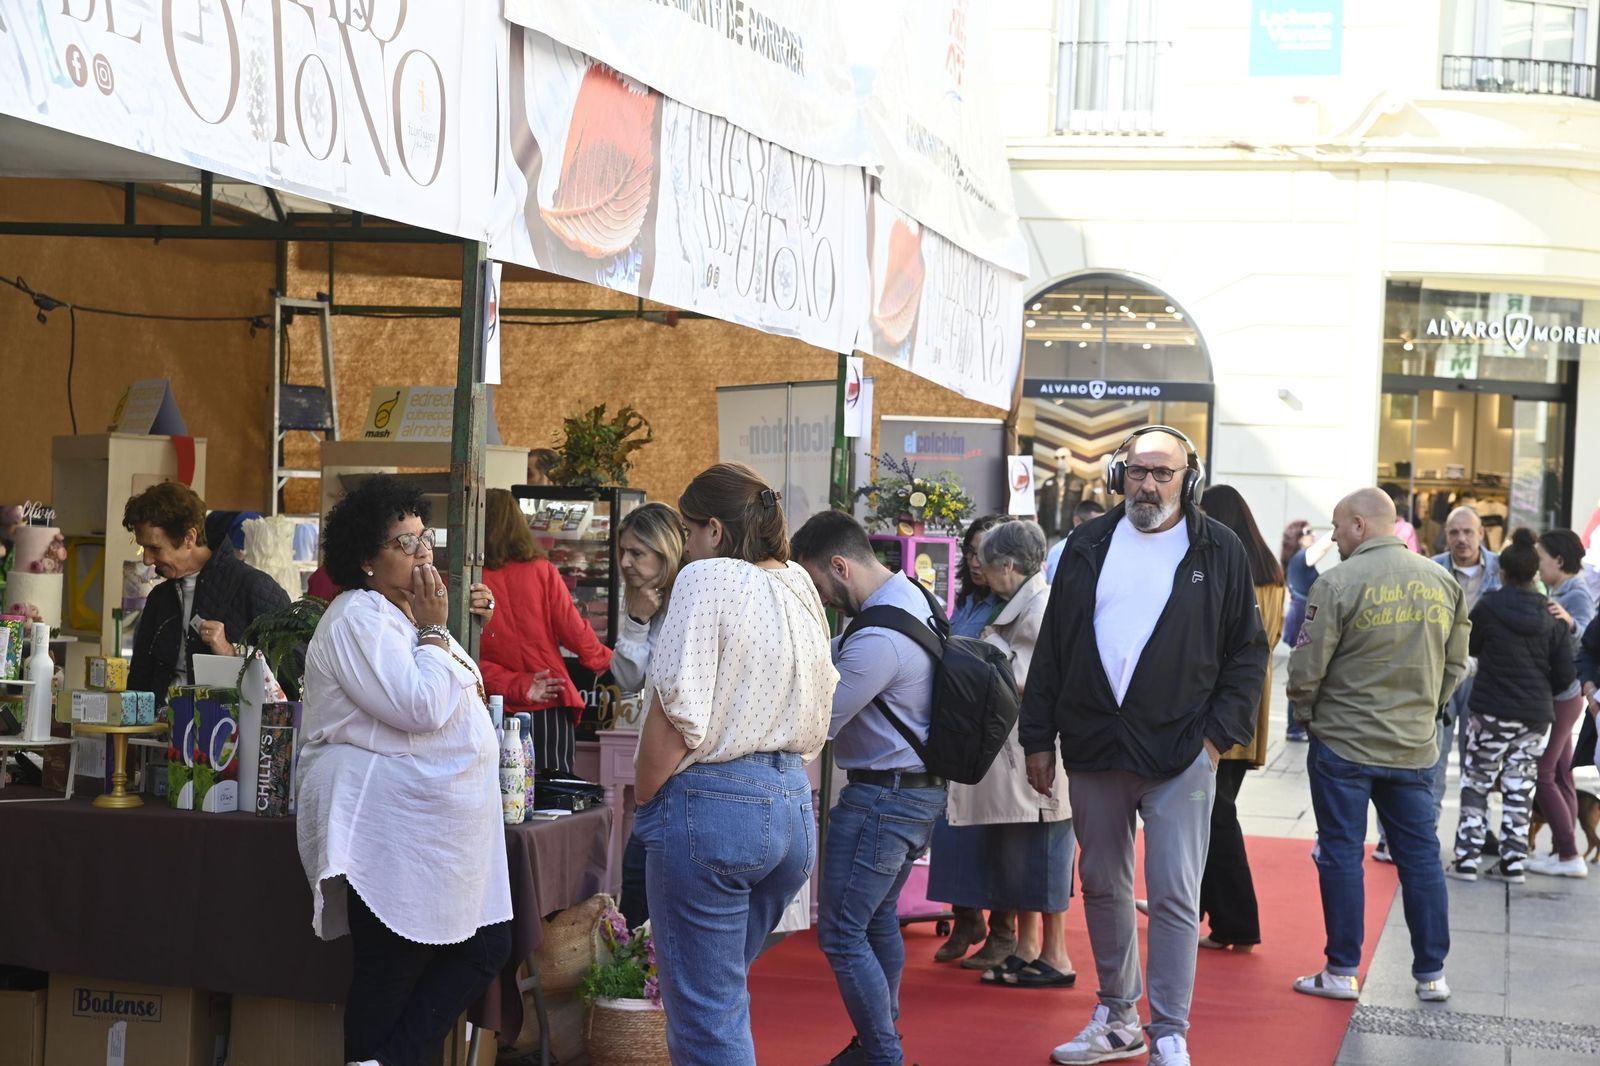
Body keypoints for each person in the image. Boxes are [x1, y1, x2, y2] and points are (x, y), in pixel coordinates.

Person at [1020, 426, 1267, 1066]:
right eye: (1137, 471)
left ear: (1189, 480)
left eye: (1163, 473)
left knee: (1175, 893)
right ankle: (1117, 1017)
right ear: (1117, 476)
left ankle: (1170, 1032)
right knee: (1101, 883)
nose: (1148, 484)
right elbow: (1053, 649)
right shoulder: (1085, 545)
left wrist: (1215, 739)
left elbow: (1248, 653)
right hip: (1095, 744)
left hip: (1182, 751)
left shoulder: (1220, 548)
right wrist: (1037, 737)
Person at [295, 475, 511, 1066]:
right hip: (386, 826)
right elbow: (420, 706)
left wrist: (439, 626)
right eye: (404, 543)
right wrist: (437, 628)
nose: (422, 553)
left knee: (483, 946)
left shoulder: (401, 613)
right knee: (392, 967)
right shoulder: (357, 617)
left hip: (426, 827)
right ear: (367, 559)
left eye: (425, 539)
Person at [632, 463, 836, 1066]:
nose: (683, 546)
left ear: (715, 531)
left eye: (686, 531)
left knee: (706, 1016)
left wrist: (646, 794)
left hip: (715, 808)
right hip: (790, 803)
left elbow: (675, 704)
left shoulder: (707, 577)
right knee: (719, 1001)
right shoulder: (798, 583)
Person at [1288, 488, 1467, 1005]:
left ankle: (1342, 970)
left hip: (1344, 743)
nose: (1335, 536)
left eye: (1338, 526)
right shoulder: (1442, 580)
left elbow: (1306, 667)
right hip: (1412, 745)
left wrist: (1307, 714)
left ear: (1360, 525)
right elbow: (1456, 662)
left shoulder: (1338, 582)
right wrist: (1427, 709)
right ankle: (1431, 973)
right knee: (1421, 857)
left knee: (1341, 853)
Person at [791, 509, 946, 1066]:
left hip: (883, 799)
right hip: (915, 792)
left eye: (817, 584)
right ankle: (879, 1042)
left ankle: (882, 1054)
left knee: (840, 933)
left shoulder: (878, 638)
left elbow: (815, 724)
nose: (819, 599)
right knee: (876, 919)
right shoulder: (916, 598)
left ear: (840, 566)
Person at [947, 519, 1075, 989]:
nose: (981, 571)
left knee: (1045, 852)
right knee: (1021, 854)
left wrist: (981, 652)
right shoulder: (1022, 603)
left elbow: (1025, 679)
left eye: (987, 563)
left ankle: (1055, 955)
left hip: (1036, 752)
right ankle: (1028, 948)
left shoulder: (1037, 607)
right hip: (1019, 753)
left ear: (1007, 566)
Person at [1448, 528, 1574, 884]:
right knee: (1521, 787)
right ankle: (1513, 864)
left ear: (1501, 573)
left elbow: (1470, 650)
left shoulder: (1487, 607)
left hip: (1489, 710)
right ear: (1535, 574)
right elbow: (1565, 676)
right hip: (1534, 716)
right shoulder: (1552, 615)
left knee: (1477, 782)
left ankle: (1467, 860)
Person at [1193, 485, 1285, 951]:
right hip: (1250, 708)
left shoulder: (1228, 569)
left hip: (1219, 708)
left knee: (1215, 814)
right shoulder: (1272, 573)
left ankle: (1237, 922)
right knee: (1212, 811)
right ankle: (1204, 908)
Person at [478, 488, 613, 774]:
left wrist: (516, 683)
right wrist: (605, 661)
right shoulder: (541, 570)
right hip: (548, 697)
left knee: (495, 789)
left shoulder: (466, 579)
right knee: (554, 789)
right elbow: (574, 631)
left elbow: (464, 654)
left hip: (490, 701)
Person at [928, 514, 1012, 966]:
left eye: (985, 552)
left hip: (995, 734)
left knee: (995, 835)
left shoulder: (1011, 604)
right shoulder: (968, 600)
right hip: (959, 726)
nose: (976, 561)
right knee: (953, 831)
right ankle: (965, 917)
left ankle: (1002, 929)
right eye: (970, 551)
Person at [122, 482, 289, 700]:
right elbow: (139, 676)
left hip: (227, 721)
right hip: (160, 720)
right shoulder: (159, 598)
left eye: (155, 548)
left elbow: (292, 671)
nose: (146, 559)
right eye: (143, 548)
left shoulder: (253, 587)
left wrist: (231, 652)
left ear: (189, 538)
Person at [609, 502, 687, 930]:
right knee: (636, 890)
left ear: (666, 551)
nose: (625, 562)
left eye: (637, 553)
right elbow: (627, 679)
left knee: (645, 894)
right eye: (623, 551)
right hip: (656, 773)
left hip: (682, 772)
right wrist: (637, 620)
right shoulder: (643, 601)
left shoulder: (689, 601)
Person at [1530, 529, 1595, 878]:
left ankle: (1569, 854)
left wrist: (1569, 622)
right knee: (1561, 774)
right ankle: (1562, 851)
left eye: (1540, 558)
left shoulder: (1576, 593)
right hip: (1559, 692)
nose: (1537, 566)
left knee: (1544, 774)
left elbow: (1588, 640)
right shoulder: (1557, 590)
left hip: (1565, 694)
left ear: (1558, 560)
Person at [1281, 522, 1318, 742]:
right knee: (1301, 674)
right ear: (1297, 537)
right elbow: (1322, 548)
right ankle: (1295, 727)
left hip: (1300, 616)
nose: (1313, 535)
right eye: (1308, 532)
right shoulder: (1302, 556)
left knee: (1302, 673)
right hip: (1301, 618)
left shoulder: (1297, 558)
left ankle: (1297, 726)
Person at [1046, 499, 1106, 583]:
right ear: (1077, 521)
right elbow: (1054, 585)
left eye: (1103, 525)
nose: (1101, 530)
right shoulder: (1059, 551)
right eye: (1095, 525)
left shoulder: (1102, 548)